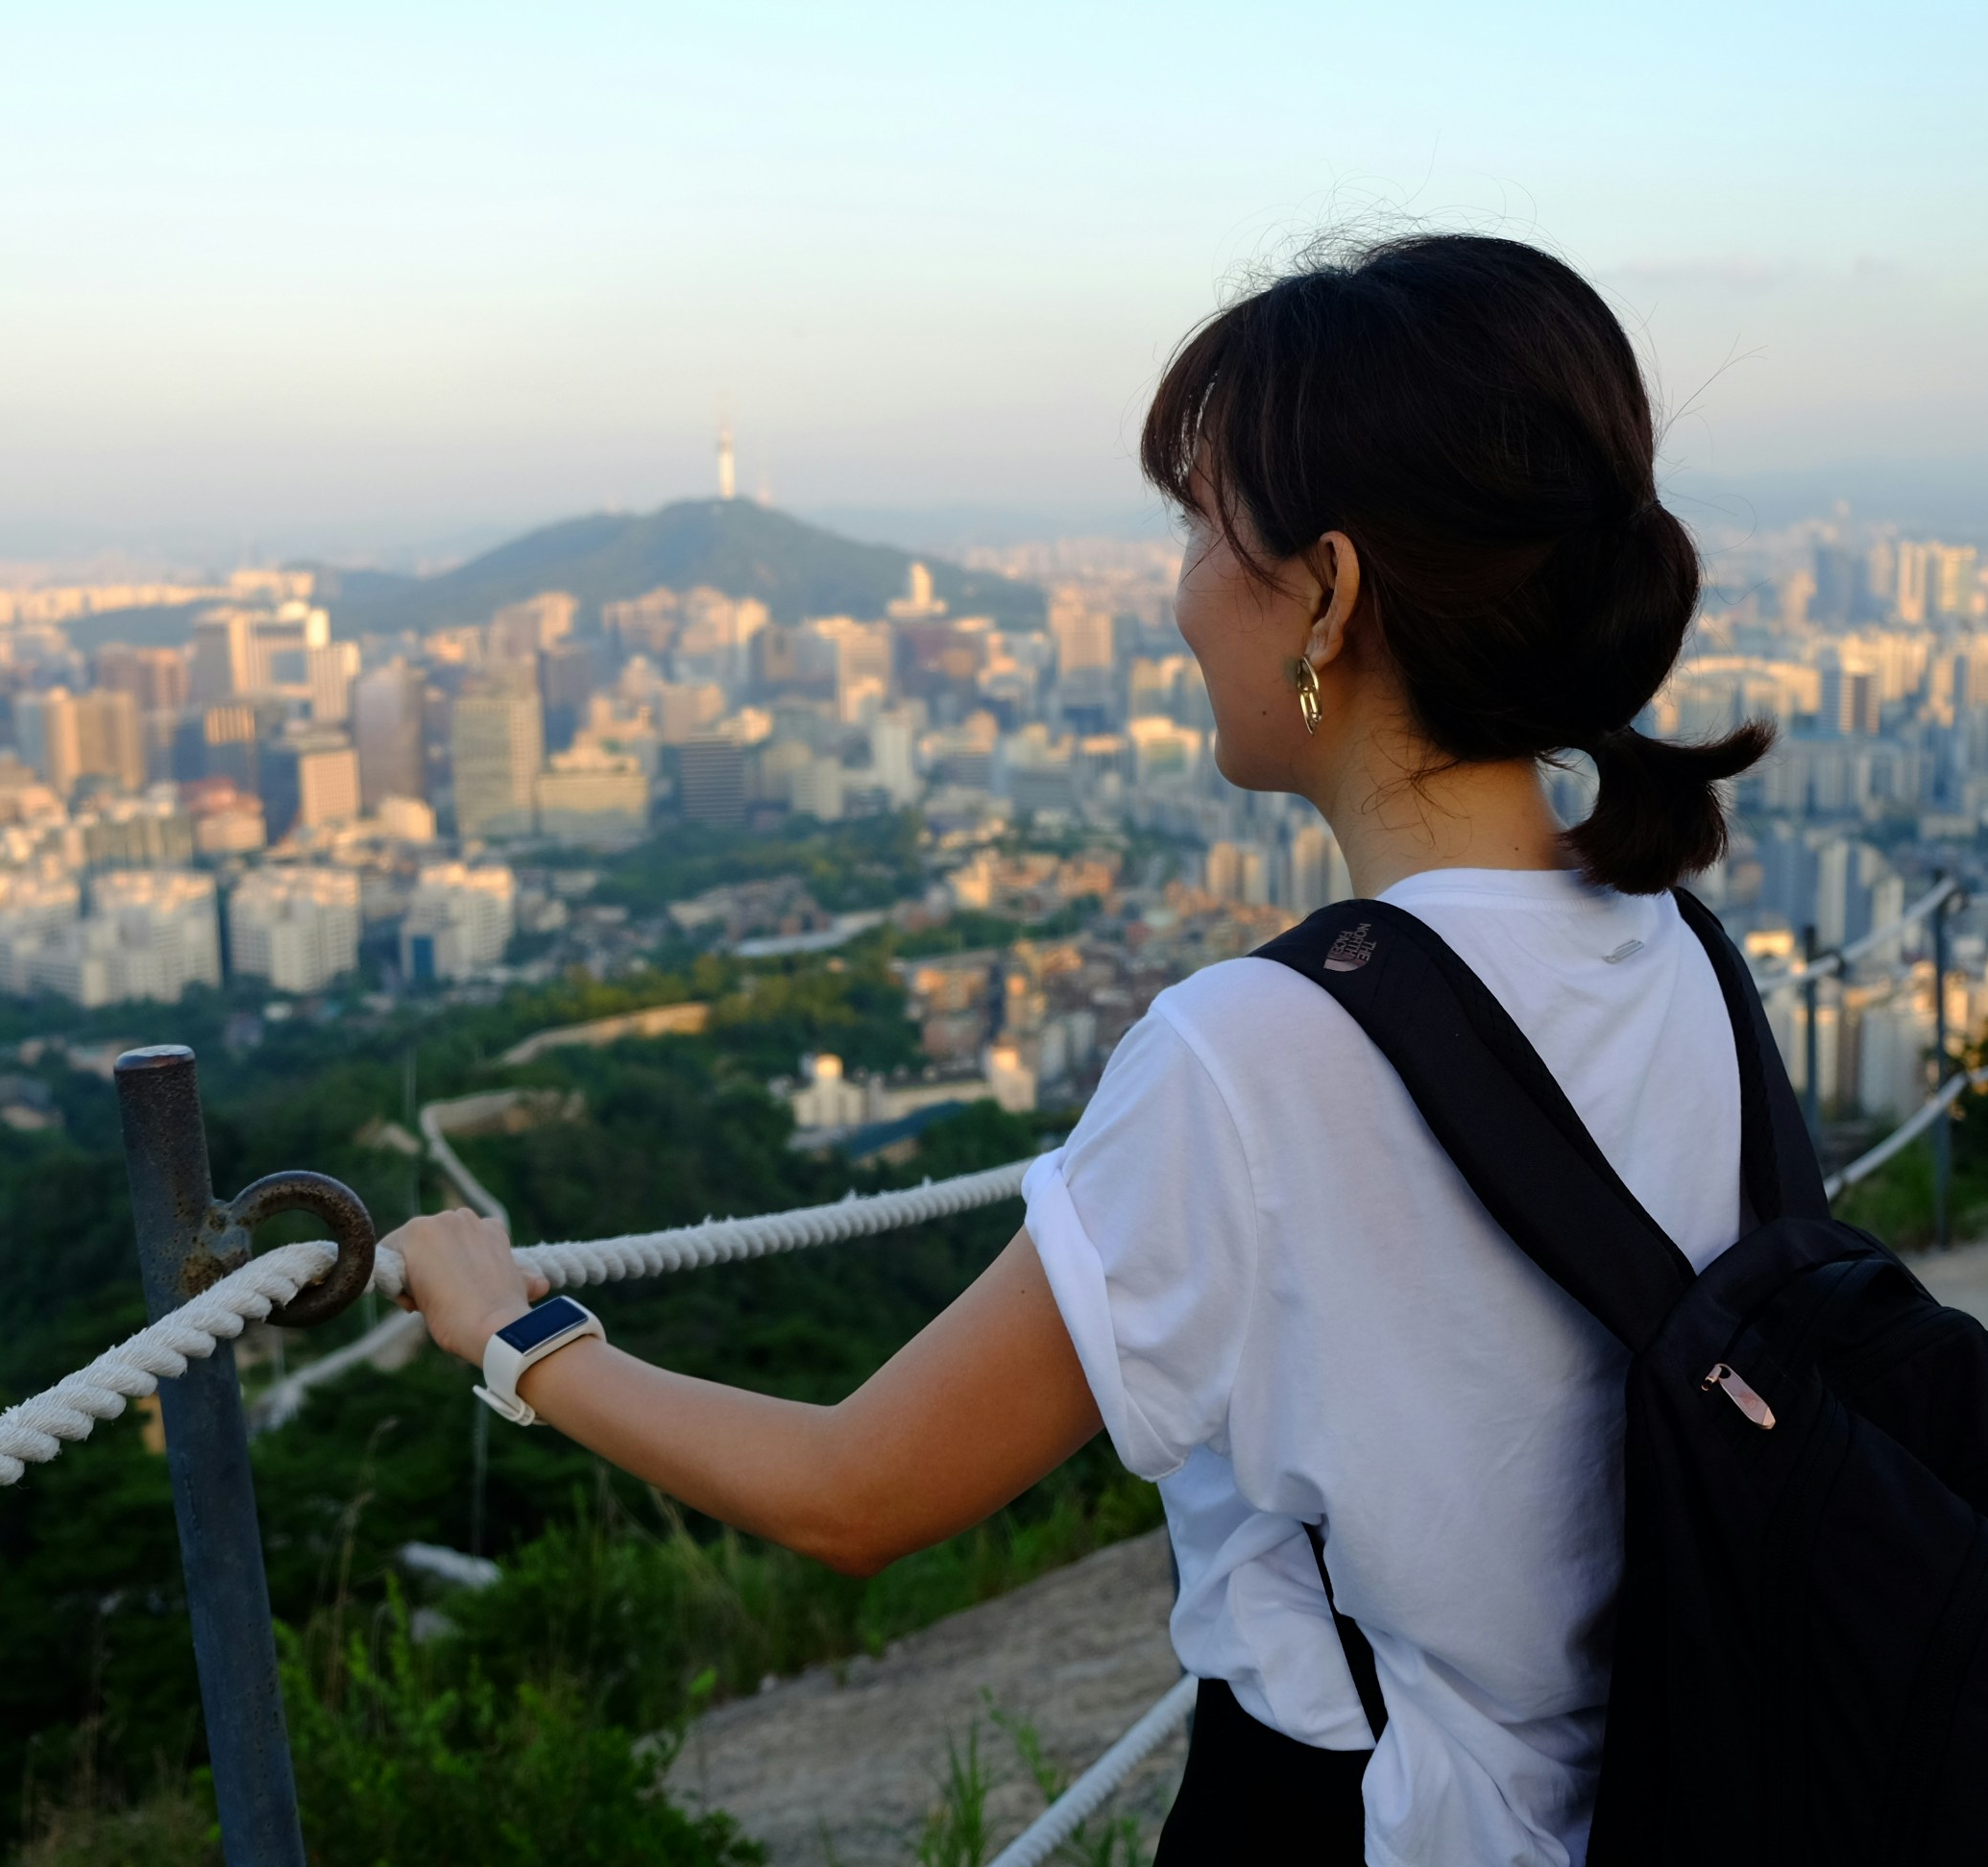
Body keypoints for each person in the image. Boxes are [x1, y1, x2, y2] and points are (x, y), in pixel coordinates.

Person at [388, 231, 1772, 1865]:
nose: (1177, 592)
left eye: (1202, 527)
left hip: (1359, 1822)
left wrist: (515, 1333)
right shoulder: (1684, 948)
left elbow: (858, 1493)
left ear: (1327, 599)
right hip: (1681, 1794)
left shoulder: (1258, 1054)